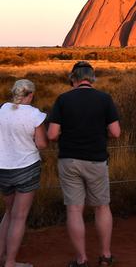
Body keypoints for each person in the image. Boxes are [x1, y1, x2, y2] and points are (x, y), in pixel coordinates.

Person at [47, 62, 121, 267]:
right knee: (102, 207)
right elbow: (115, 132)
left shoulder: (63, 99)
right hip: (96, 160)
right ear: (92, 78)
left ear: (73, 78)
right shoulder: (104, 99)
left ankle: (81, 260)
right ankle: (105, 256)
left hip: (69, 160)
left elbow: (52, 134)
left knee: (74, 210)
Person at [0, 80, 48, 267]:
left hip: (3, 168)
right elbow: (42, 144)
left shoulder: (2, 109)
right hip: (26, 168)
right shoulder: (34, 115)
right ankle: (11, 262)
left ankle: (1, 257)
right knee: (19, 216)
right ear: (31, 94)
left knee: (9, 213)